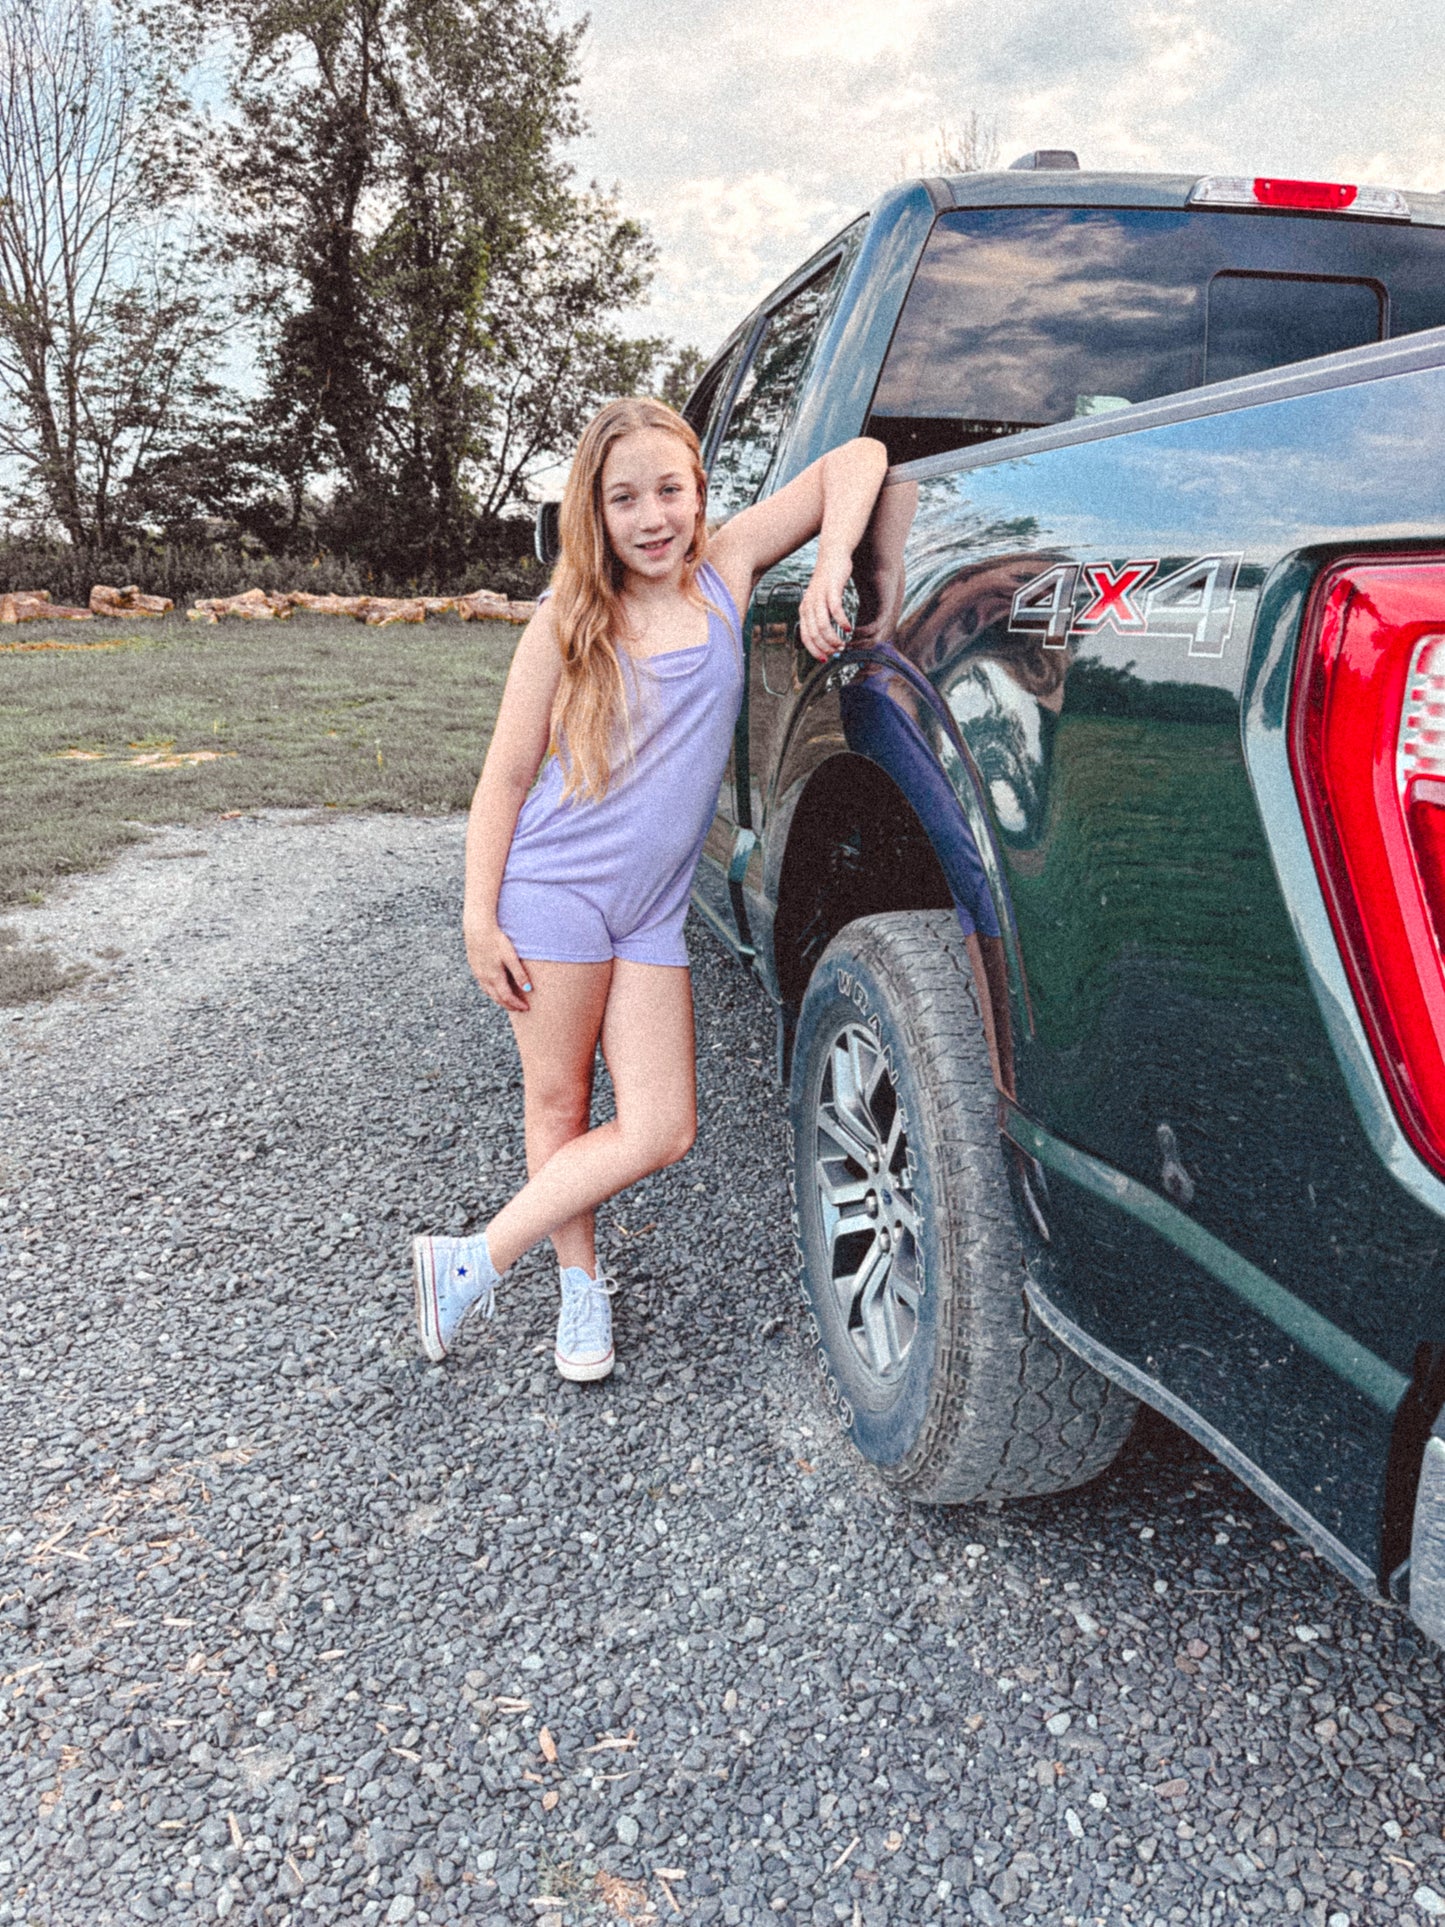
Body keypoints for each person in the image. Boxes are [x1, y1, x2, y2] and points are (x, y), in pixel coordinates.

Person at [413, 395, 888, 1381]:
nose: (651, 516)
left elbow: (859, 456)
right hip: (555, 893)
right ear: (595, 510)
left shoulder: (724, 571)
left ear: (697, 492)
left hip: (651, 912)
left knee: (663, 1125)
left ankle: (468, 1260)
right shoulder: (565, 620)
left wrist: (834, 559)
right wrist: (475, 915)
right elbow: (503, 778)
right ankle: (578, 1294)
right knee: (558, 1102)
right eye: (624, 498)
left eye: (669, 489)